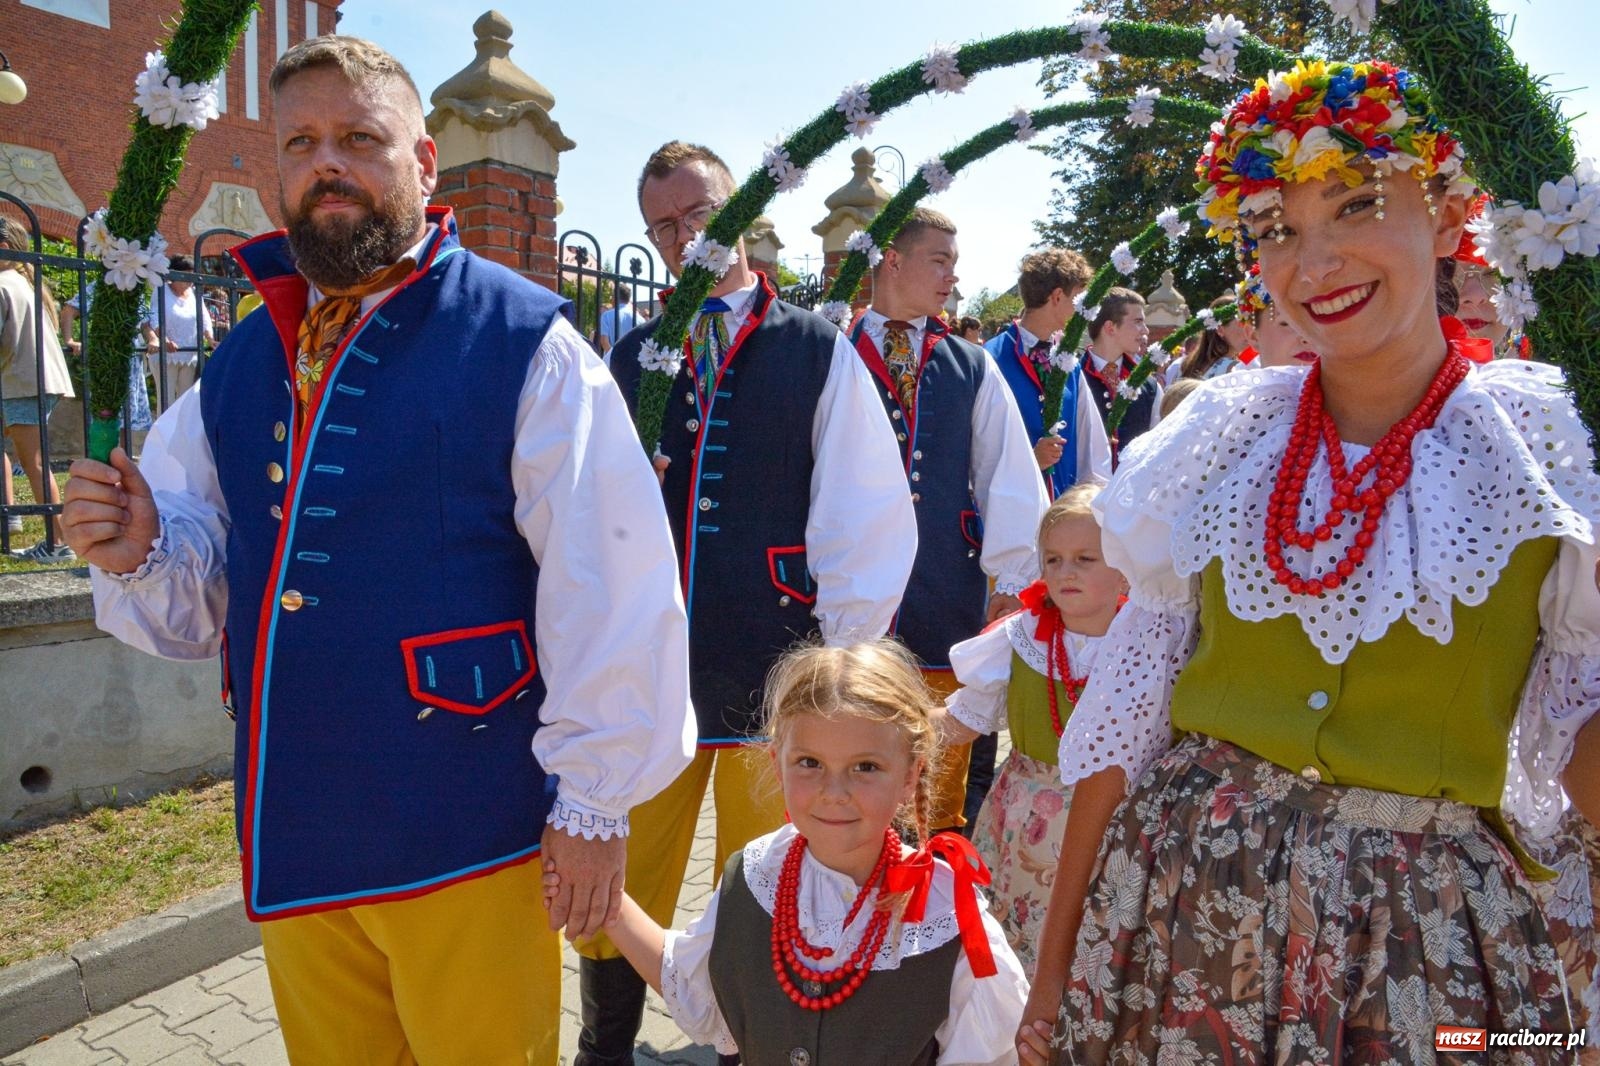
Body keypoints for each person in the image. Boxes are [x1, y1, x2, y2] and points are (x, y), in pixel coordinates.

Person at [60, 36, 695, 1066]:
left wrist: (592, 803)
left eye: (359, 138)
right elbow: (204, 571)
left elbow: (611, 579)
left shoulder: (523, 340)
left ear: (424, 162)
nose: (327, 163)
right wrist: (141, 546)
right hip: (296, 830)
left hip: (470, 831)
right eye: (301, 142)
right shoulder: (243, 357)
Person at [1016, 58, 1600, 1064]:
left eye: (1357, 205)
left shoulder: (1549, 453)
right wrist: (1054, 968)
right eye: (1276, 229)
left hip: (1419, 945)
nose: (1313, 261)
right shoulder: (1222, 436)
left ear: (1449, 212)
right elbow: (1126, 728)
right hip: (1183, 910)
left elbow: (1581, 728)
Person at [602, 140, 916, 1066]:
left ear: (742, 211)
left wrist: (842, 662)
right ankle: (605, 1045)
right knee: (629, 866)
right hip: (653, 669)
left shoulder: (812, 347)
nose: (684, 236)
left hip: (777, 660)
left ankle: (756, 1047)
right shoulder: (630, 354)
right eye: (663, 225)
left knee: (768, 877)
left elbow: (863, 504)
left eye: (700, 212)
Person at [552, 639, 1030, 1065]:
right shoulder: (757, 874)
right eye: (809, 763)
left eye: (865, 767)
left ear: (910, 776)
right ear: (777, 764)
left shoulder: (948, 918)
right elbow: (701, 992)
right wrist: (603, 897)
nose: (834, 792)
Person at [850, 206, 1048, 836]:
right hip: (850, 602)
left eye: (954, 264)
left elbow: (1007, 474)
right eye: (939, 261)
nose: (952, 278)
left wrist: (1012, 578)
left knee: (939, 787)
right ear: (893, 260)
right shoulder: (833, 349)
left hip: (946, 592)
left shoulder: (971, 364)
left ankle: (935, 882)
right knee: (853, 764)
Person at [941, 484, 1124, 976]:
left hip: (1114, 822)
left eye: (1085, 558)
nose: (1066, 572)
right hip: (1024, 821)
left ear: (1125, 564)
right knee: (1015, 953)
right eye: (1053, 560)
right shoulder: (1019, 638)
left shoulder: (1148, 639)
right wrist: (895, 730)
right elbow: (963, 721)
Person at [984, 249, 1111, 498]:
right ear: (1057, 296)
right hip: (1011, 508)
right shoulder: (990, 359)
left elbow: (1092, 446)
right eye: (1079, 298)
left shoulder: (1070, 364)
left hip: (1063, 509)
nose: (1083, 308)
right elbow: (979, 452)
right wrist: (1029, 461)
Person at [0, 216, 76, 560]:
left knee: (34, 464)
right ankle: (17, 520)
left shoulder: (4, 284)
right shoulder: (24, 282)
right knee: (34, 461)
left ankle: (57, 543)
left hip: (22, 382)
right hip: (34, 380)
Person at [1080, 288, 1159, 464]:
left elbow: (1157, 447)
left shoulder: (1149, 386)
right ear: (1110, 327)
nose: (1145, 330)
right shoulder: (1072, 378)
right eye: (1138, 322)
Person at [141, 254, 214, 410]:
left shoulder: (195, 293)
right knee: (166, 402)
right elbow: (155, 316)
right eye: (185, 275)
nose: (189, 280)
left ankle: (182, 427)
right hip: (166, 354)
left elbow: (204, 318)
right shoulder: (161, 289)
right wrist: (164, 339)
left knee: (185, 402)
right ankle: (164, 427)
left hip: (189, 353)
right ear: (174, 275)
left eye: (192, 275)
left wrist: (210, 339)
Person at [1178, 294, 1251, 380]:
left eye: (1251, 323)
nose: (1250, 330)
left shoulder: (1189, 364)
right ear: (1220, 330)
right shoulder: (1233, 368)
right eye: (1242, 323)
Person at [594, 284, 636, 357]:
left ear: (614, 297)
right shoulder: (639, 318)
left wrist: (615, 358)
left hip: (612, 359)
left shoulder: (606, 315)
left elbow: (604, 341)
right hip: (632, 360)